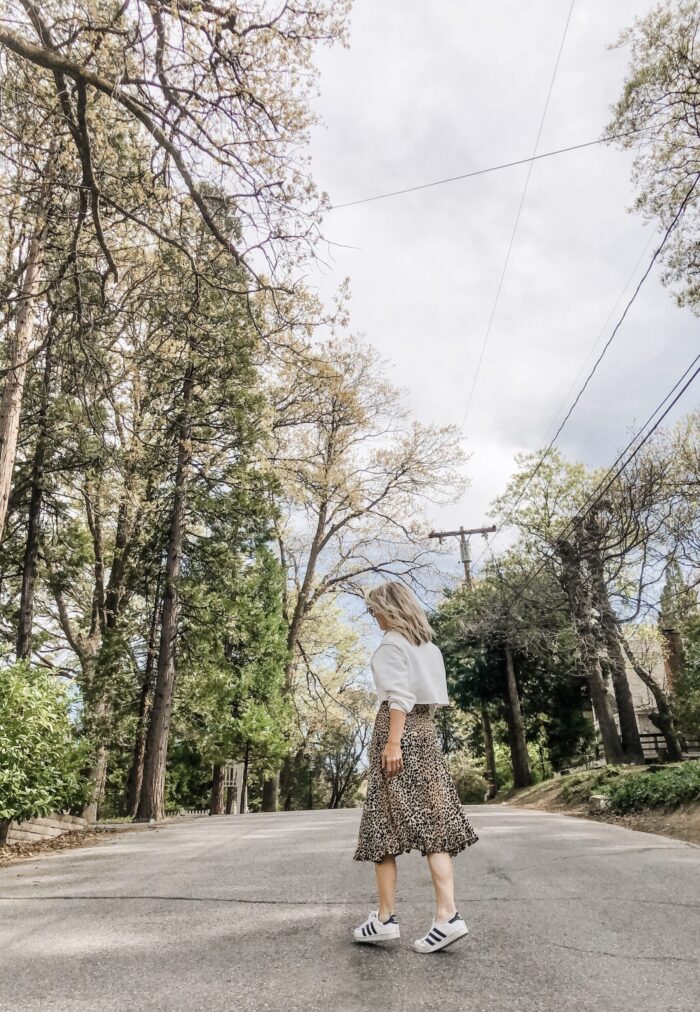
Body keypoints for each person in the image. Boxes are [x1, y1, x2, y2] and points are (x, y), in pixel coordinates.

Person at [353, 581, 478, 953]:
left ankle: (387, 918)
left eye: (374, 608)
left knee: (382, 823)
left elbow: (399, 698)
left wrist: (393, 742)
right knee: (432, 821)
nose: (372, 614)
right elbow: (430, 699)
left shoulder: (390, 645)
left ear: (390, 609)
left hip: (398, 732)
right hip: (425, 732)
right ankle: (445, 915)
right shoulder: (430, 648)